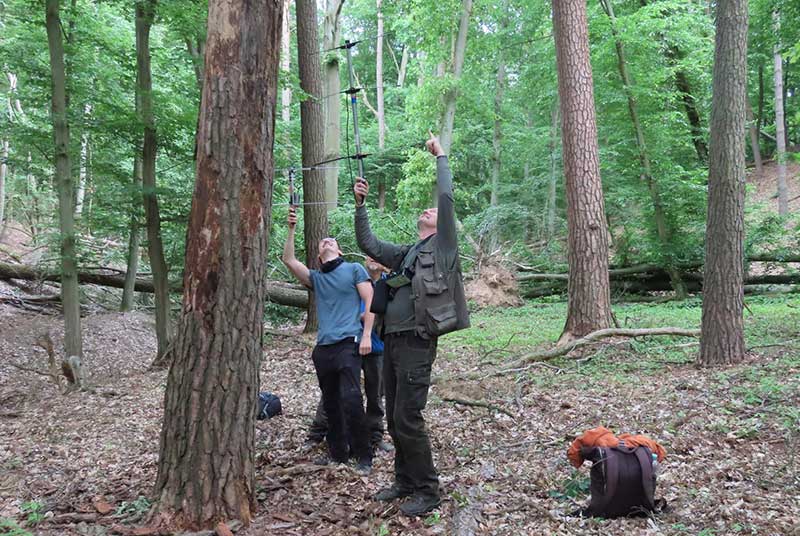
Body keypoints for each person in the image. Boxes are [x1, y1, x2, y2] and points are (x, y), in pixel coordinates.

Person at [352, 132, 470, 516]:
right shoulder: (406, 253)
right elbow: (369, 243)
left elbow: (447, 199)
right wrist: (360, 205)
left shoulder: (444, 247)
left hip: (418, 340)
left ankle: (428, 489)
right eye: (427, 211)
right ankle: (404, 481)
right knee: (392, 415)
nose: (429, 211)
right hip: (394, 341)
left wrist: (441, 157)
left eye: (432, 211)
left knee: (408, 416)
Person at [281, 206, 374, 474]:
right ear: (319, 256)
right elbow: (289, 260)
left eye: (333, 241)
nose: (328, 241)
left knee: (352, 398)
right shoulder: (317, 278)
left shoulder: (354, 269)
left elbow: (370, 300)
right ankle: (338, 454)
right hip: (323, 348)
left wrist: (366, 334)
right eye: (323, 242)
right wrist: (291, 228)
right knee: (331, 400)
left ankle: (364, 456)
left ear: (340, 251)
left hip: (349, 342)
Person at [305, 257, 394, 453]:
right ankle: (319, 432)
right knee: (333, 391)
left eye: (376, 257)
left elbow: (392, 311)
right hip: (348, 344)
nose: (372, 260)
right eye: (368, 256)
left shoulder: (389, 283)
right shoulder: (352, 276)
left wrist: (371, 318)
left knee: (375, 393)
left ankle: (375, 436)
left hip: (376, 346)